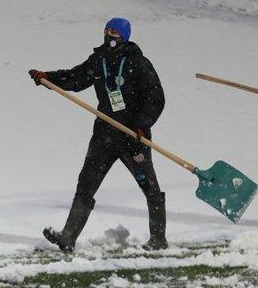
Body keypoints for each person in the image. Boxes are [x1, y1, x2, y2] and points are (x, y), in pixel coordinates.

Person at [28, 17, 167, 251]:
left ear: (124, 36)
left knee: (149, 187)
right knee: (86, 185)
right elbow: (75, 77)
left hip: (133, 138)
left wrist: (142, 124)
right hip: (104, 136)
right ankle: (68, 237)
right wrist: (48, 78)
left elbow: (155, 98)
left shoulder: (139, 63)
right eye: (107, 30)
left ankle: (158, 238)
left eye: (115, 32)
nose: (109, 35)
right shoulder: (98, 60)